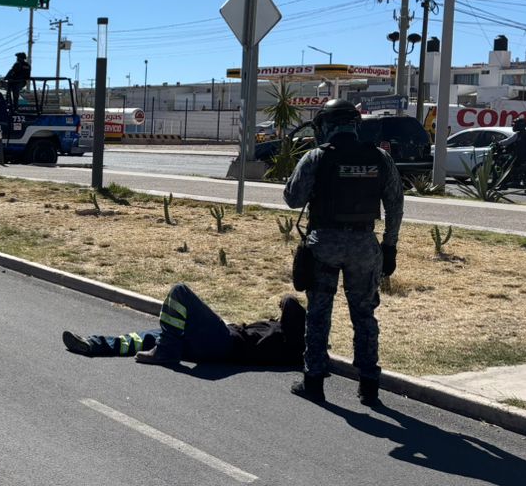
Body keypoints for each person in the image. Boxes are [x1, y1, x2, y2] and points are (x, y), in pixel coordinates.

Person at [282, 98, 404, 406]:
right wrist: (390, 246)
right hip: (365, 245)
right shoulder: (379, 157)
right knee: (364, 315)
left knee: (319, 313)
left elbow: (292, 200)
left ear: (326, 125)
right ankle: (369, 384)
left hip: (324, 243)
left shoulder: (316, 157)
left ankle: (314, 380)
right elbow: (395, 205)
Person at [62, 283, 305, 368]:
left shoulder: (290, 341)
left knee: (180, 292)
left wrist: (284, 305)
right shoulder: (284, 343)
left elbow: (291, 302)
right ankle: (93, 345)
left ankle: (166, 352)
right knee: (149, 336)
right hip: (212, 346)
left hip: (224, 342)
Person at [490, 117, 526, 189]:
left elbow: (507, 141)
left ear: (519, 125)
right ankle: (515, 181)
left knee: (506, 166)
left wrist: (497, 143)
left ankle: (505, 184)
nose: (513, 126)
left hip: (520, 156)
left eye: (515, 124)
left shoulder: (518, 134)